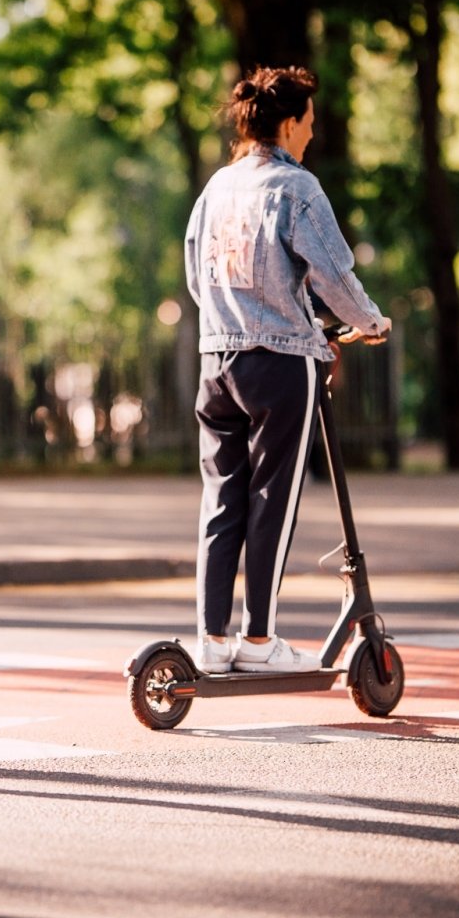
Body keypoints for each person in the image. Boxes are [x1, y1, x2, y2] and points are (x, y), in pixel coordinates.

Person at [183, 67, 391, 675]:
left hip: (216, 359)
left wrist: (234, 317)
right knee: (273, 497)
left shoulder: (216, 188)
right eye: (310, 123)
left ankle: (211, 640)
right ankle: (258, 641)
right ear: (292, 121)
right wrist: (372, 322)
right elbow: (332, 274)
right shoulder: (297, 187)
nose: (312, 134)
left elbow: (199, 278)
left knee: (222, 498)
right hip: (279, 364)